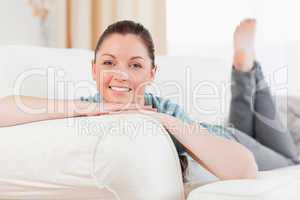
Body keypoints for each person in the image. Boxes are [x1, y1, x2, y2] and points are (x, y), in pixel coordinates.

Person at [2, 19, 274, 181]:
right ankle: (245, 69)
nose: (120, 74)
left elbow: (245, 168)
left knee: (289, 153)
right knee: (253, 125)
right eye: (109, 63)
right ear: (94, 70)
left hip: (228, 138)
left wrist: (159, 119)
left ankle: (245, 69)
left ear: (151, 73)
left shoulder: (165, 111)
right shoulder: (88, 106)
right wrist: (94, 108)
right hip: (228, 128)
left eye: (135, 65)